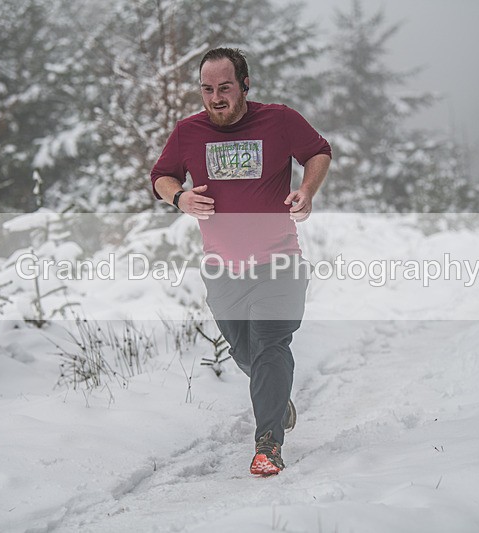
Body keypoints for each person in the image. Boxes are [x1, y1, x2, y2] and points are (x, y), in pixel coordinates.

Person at [150, 48, 331, 476]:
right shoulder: (188, 132)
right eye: (207, 89)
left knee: (270, 346)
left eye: (224, 88)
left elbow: (318, 152)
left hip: (279, 263)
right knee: (245, 350)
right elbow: (161, 176)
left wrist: (307, 191)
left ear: (245, 85)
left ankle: (268, 443)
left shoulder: (279, 120)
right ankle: (276, 397)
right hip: (222, 268)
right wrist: (179, 197)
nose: (215, 97)